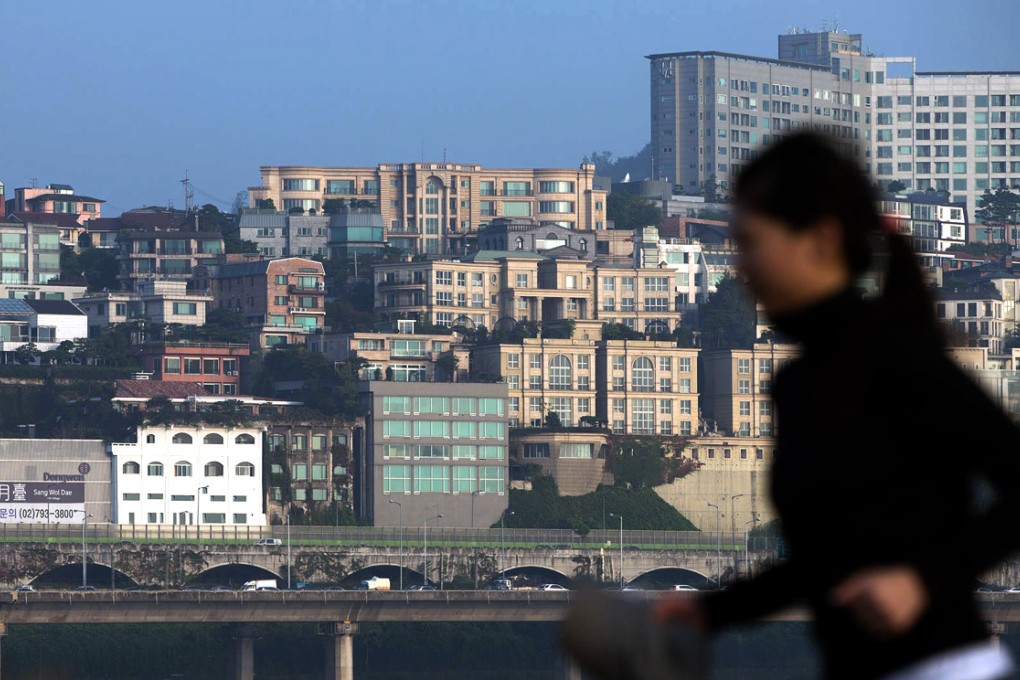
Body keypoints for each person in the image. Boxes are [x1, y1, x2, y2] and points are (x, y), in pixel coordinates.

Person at [654, 132, 1020, 680]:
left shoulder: (892, 354)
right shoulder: (802, 379)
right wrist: (711, 612)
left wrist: (922, 579)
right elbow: (827, 561)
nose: (742, 267)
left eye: (753, 243)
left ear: (820, 241)